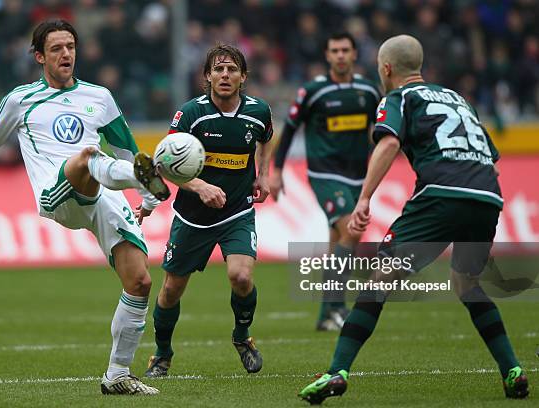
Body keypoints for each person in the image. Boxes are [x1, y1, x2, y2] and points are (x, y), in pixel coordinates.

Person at [0, 19, 170, 396]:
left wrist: (147, 197)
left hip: (103, 194)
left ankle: (117, 374)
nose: (66, 54)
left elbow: (129, 148)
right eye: (56, 48)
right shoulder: (20, 100)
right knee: (86, 156)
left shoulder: (99, 97)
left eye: (71, 46)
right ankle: (133, 177)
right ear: (39, 56)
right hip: (57, 192)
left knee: (141, 281)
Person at [298, 34, 529, 404]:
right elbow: (490, 152)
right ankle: (512, 369)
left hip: (441, 194)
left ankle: (337, 371)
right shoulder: (457, 98)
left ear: (386, 69)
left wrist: (364, 199)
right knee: (467, 282)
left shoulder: (399, 97)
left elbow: (388, 143)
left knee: (378, 280)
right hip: (487, 194)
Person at [144, 44, 274, 377]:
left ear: (243, 76)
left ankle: (242, 337)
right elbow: (163, 164)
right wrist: (199, 186)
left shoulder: (258, 111)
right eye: (218, 69)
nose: (225, 75)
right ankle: (161, 354)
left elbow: (266, 139)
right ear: (207, 76)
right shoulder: (190, 114)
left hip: (237, 212)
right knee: (171, 290)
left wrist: (262, 174)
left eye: (232, 69)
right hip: (193, 216)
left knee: (241, 277)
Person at [270, 32, 381, 331]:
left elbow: (383, 130)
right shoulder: (313, 91)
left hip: (358, 175)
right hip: (324, 174)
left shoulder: (369, 91)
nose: (341, 55)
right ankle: (338, 307)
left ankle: (325, 315)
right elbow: (290, 128)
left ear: (355, 54)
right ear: (327, 55)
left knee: (339, 242)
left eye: (346, 49)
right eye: (335, 50)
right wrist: (277, 170)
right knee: (351, 230)